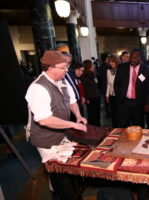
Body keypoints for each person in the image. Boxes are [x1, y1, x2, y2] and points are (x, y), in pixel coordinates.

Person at [25, 51, 87, 199]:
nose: (67, 70)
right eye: (63, 67)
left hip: (62, 135)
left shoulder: (62, 80)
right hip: (46, 141)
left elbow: (72, 100)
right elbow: (44, 119)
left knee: (68, 174)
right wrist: (73, 124)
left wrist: (78, 116)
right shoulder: (38, 88)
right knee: (61, 180)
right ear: (51, 68)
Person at [114, 48, 149, 128]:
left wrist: (147, 104)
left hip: (139, 104)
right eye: (131, 57)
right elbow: (116, 84)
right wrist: (119, 98)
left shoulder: (146, 70)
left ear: (140, 58)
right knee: (122, 126)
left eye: (135, 58)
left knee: (138, 127)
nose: (132, 60)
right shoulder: (122, 67)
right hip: (124, 102)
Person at [82, 59, 101, 126]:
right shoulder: (84, 76)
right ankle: (93, 128)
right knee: (92, 114)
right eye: (92, 65)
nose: (93, 66)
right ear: (88, 66)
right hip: (90, 98)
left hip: (97, 96)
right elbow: (84, 89)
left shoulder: (93, 74)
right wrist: (86, 98)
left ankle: (98, 127)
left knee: (97, 114)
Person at [106, 54, 119, 128]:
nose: (111, 63)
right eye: (109, 62)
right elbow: (108, 83)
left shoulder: (121, 70)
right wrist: (107, 95)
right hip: (111, 95)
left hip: (119, 95)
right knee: (113, 114)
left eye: (112, 61)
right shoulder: (108, 71)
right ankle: (114, 129)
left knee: (119, 114)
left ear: (116, 61)